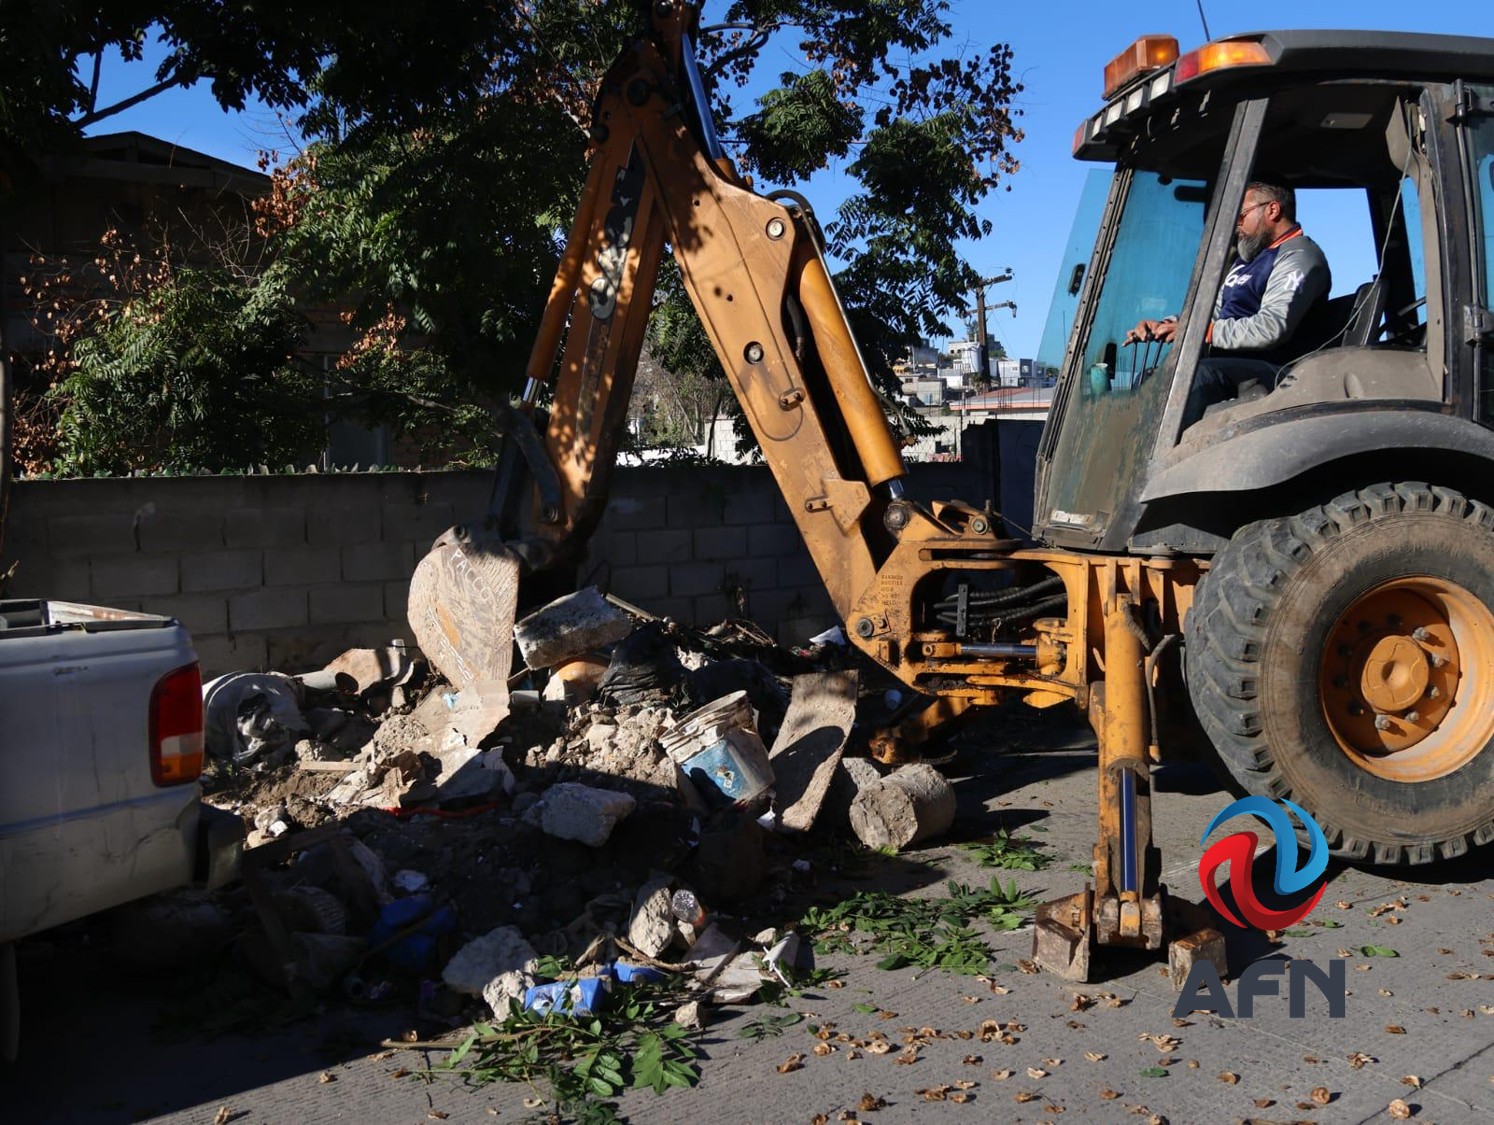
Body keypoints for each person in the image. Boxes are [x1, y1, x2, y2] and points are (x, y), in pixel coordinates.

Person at [1126, 181, 1331, 424]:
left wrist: (1201, 332)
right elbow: (1215, 314)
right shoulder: (1246, 261)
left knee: (1195, 376)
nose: (1237, 225)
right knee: (1152, 378)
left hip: (1281, 371)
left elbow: (1271, 327)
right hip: (1234, 365)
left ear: (1272, 210)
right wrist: (1167, 325)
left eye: (1241, 216)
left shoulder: (1298, 257)